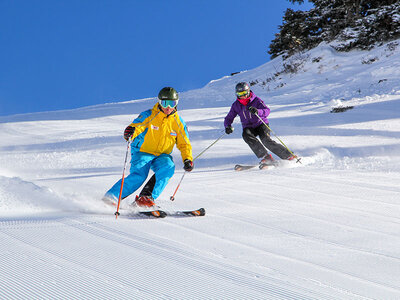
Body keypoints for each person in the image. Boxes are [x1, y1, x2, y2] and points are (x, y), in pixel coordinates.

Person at [103, 87, 193, 208]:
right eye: (164, 103)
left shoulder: (179, 123)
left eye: (172, 103)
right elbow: (138, 126)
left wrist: (187, 159)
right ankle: (111, 197)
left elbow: (184, 143)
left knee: (168, 167)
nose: (168, 107)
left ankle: (145, 198)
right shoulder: (149, 115)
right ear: (159, 102)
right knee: (139, 175)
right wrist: (131, 131)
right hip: (143, 151)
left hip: (162, 155)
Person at [224, 82, 296, 164]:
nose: (242, 96)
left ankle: (288, 155)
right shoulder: (236, 105)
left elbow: (267, 111)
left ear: (248, 91)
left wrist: (258, 111)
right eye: (239, 94)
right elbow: (229, 118)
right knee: (246, 135)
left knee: (265, 140)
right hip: (248, 126)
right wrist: (227, 126)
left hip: (260, 123)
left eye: (244, 93)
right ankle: (266, 157)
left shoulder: (256, 100)